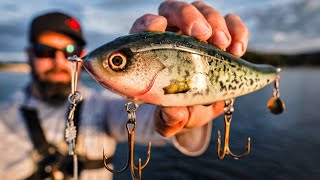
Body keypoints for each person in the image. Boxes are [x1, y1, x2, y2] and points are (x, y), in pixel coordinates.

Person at [0, 0, 250, 179]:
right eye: (45, 51)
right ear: (29, 55)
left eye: (69, 52)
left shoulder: (104, 106)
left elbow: (150, 123)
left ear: (82, 56)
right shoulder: (3, 120)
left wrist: (187, 116)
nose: (57, 61)